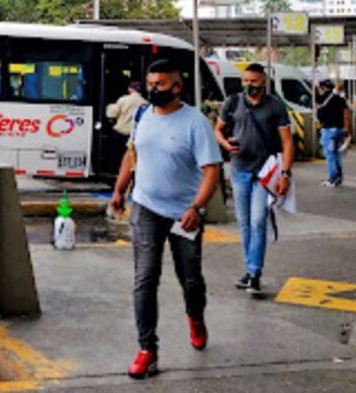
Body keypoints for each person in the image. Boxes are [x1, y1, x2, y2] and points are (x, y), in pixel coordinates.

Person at [109, 59, 222, 379]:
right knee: (145, 279)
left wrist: (197, 208)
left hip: (183, 215)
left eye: (160, 84)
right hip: (145, 208)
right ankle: (147, 349)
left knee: (190, 279)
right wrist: (119, 189)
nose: (153, 89)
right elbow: (132, 154)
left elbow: (212, 169)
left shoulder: (195, 122)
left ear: (177, 86)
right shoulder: (143, 114)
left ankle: (195, 317)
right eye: (150, 83)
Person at [214, 63, 293, 295]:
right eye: (246, 81)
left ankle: (255, 272)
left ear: (264, 82)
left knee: (258, 221)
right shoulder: (232, 103)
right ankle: (250, 270)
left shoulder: (276, 107)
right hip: (239, 170)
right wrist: (226, 143)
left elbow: (287, 142)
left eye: (254, 82)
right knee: (244, 222)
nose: (249, 86)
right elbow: (218, 129)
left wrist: (285, 174)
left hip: (264, 173)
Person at [316, 80, 351, 187]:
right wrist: (346, 129)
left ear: (323, 88)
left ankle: (332, 179)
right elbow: (346, 114)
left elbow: (319, 116)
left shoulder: (322, 99)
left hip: (328, 130)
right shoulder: (340, 99)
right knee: (337, 154)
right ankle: (339, 177)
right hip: (340, 130)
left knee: (330, 155)